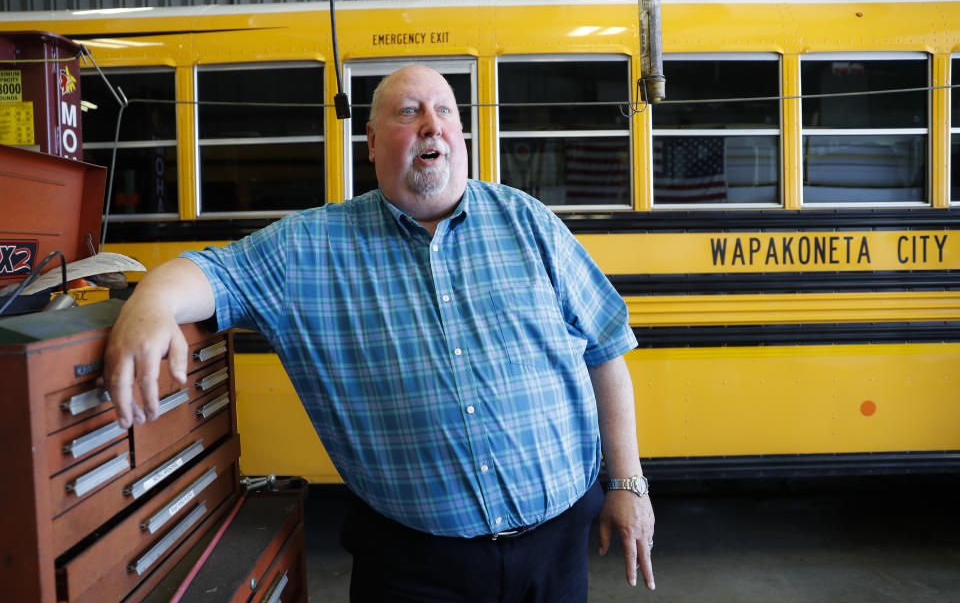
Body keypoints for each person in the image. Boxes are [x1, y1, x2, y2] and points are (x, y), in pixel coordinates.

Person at [104, 65, 655, 601]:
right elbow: (212, 273)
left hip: (556, 551)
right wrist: (150, 301)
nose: (431, 124)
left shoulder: (528, 221)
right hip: (414, 567)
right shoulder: (311, 249)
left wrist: (627, 485)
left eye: (444, 111)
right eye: (409, 112)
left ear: (460, 135)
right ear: (370, 142)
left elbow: (606, 349)